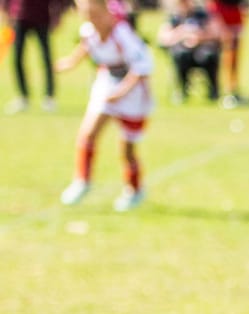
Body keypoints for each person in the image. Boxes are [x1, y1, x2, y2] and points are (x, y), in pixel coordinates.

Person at [55, 0, 151, 210]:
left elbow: (141, 68)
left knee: (127, 149)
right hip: (107, 82)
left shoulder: (122, 33)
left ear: (107, 12)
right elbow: (85, 47)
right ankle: (82, 181)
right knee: (88, 133)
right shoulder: (88, 31)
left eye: (95, 14)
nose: (91, 19)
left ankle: (134, 189)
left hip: (132, 92)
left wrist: (120, 94)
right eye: (86, 14)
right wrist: (68, 63)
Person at [160, 0, 222, 103]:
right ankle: (182, 91)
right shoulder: (174, 18)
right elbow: (163, 38)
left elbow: (216, 33)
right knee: (181, 55)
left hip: (202, 50)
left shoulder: (202, 15)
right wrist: (181, 33)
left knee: (209, 55)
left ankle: (213, 91)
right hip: (183, 53)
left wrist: (199, 37)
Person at [7, 0, 62, 113]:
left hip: (41, 16)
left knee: (46, 58)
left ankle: (49, 97)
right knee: (17, 58)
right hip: (19, 15)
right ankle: (23, 97)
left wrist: (57, 14)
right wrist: (6, 11)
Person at [212, 0, 245, 106]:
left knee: (233, 58)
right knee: (218, 56)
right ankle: (219, 89)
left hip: (234, 12)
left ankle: (232, 89)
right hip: (219, 13)